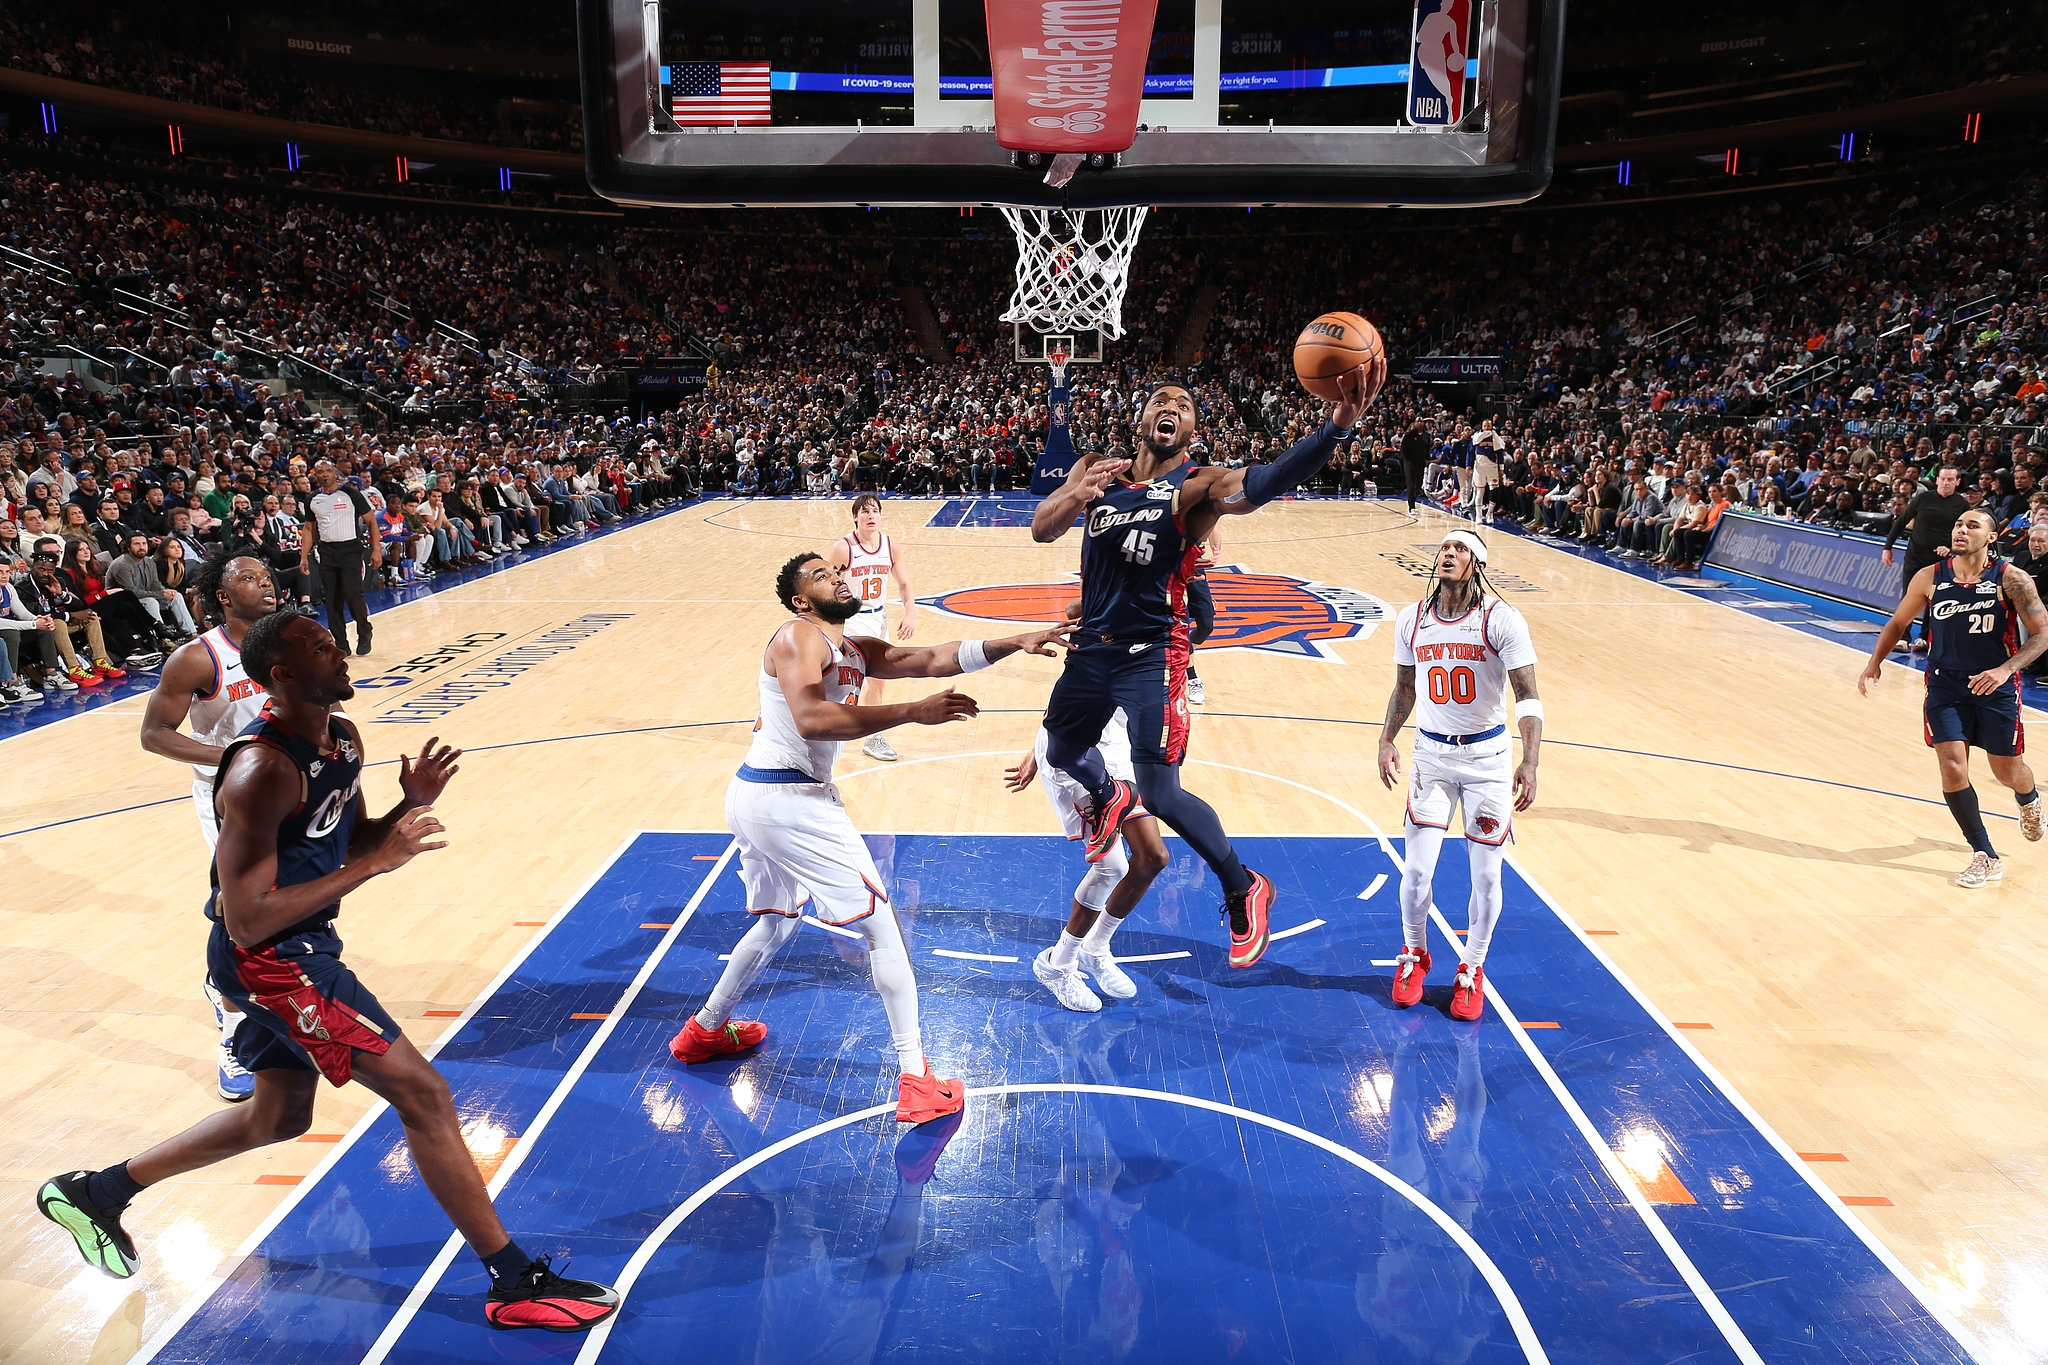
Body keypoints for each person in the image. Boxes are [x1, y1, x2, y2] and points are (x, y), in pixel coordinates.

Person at [37, 611, 620, 1332]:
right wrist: (379, 863)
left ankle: (97, 1192)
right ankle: (511, 1279)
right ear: (280, 675)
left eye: (331, 639)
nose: (336, 649)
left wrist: (410, 806)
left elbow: (346, 841)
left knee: (280, 1115)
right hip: (273, 960)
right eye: (316, 646)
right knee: (426, 1094)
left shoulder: (342, 739)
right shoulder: (259, 769)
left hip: (299, 947)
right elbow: (249, 915)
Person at [670, 552, 1068, 1124]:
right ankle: (916, 1080)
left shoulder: (851, 647)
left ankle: (705, 1030)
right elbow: (812, 718)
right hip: (789, 801)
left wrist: (1014, 641)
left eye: (835, 572)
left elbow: (929, 657)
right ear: (802, 599)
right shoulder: (798, 635)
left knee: (777, 922)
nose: (836, 576)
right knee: (884, 933)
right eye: (820, 576)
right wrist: (912, 713)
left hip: (762, 796)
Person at [1031, 370, 1370, 970]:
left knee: (1160, 792)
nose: (1172, 409)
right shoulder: (1097, 469)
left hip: (1152, 653)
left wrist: (1332, 430)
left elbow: (1261, 483)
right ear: (1141, 418)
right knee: (1059, 752)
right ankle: (1113, 796)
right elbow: (1042, 528)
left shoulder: (1197, 486)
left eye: (1185, 406)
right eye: (1161, 401)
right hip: (1092, 648)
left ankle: (1243, 886)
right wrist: (1076, 494)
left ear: (1192, 428)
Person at [1375, 528, 1543, 1021]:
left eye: (1460, 550)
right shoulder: (1412, 619)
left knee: (1486, 876)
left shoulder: (1502, 620)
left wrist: (1530, 760)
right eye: (1444, 549)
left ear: (1477, 564)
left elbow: (1528, 696)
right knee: (1416, 871)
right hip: (1431, 755)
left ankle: (1472, 968)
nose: (1448, 555)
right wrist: (1386, 738)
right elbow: (1404, 687)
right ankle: (1414, 954)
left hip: (1488, 761)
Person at [139, 551, 280, 1101]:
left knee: (284, 901)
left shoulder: (288, 638)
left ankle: (258, 988)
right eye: (249, 577)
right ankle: (233, 1025)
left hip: (288, 787)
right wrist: (226, 758)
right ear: (223, 595)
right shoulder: (198, 659)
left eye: (267, 575)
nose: (265, 583)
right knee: (239, 908)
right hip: (228, 797)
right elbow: (154, 732)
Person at [1859, 507, 2048, 887]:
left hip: (1994, 686)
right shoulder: (1930, 576)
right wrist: (1874, 662)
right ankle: (1984, 854)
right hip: (1945, 684)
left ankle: (2028, 800)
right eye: (1959, 524)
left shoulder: (2012, 579)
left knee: (2007, 771)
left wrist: (2005, 669)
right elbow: (1899, 622)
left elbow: (2043, 634)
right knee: (1951, 766)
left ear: (1991, 538)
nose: (1961, 530)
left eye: (1972, 526)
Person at [1005, 706, 1169, 1012]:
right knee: (1112, 866)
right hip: (1076, 758)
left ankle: (1095, 947)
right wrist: (1044, 747)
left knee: (1152, 858)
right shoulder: (1098, 658)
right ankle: (1058, 963)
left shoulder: (1161, 661)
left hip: (1117, 747)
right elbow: (1073, 693)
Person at [826, 494, 917, 762]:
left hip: (880, 618)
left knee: (879, 679)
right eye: (864, 512)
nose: (870, 516)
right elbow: (824, 585)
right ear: (855, 516)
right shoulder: (843, 548)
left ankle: (871, 737)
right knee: (849, 679)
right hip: (854, 619)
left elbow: (904, 584)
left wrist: (910, 612)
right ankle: (829, 727)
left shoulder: (890, 546)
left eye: (874, 511)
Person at [1883, 466, 1968, 652]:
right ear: (1937, 479)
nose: (1946, 482)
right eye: (1943, 479)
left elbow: (1966, 532)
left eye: (1951, 479)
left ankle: (1925, 638)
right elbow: (1901, 521)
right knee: (1908, 596)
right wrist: (1887, 547)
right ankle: (1903, 639)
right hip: (1916, 556)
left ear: (1957, 482)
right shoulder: (1923, 498)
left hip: (1941, 560)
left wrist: (1952, 548)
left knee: (1936, 598)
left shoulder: (1961, 504)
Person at [299, 461, 380, 656]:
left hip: (350, 549)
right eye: (320, 471)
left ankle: (364, 631)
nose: (325, 474)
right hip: (326, 550)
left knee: (353, 594)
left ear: (335, 473)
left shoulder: (351, 494)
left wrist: (376, 549)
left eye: (328, 470)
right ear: (315, 475)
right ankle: (341, 642)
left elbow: (371, 521)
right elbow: (309, 529)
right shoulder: (312, 499)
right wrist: (303, 556)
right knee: (332, 598)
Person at [1182, 527, 1221, 705]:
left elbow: (1212, 524)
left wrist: (1216, 550)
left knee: (1206, 625)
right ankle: (1193, 679)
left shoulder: (1197, 505)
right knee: (1181, 627)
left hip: (1195, 566)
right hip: (1170, 565)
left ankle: (1182, 652)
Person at [1400, 419, 1432, 513]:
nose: (1420, 423)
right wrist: (1408, 460)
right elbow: (1403, 449)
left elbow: (1427, 449)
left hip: (1421, 462)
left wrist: (1427, 459)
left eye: (1421, 421)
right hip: (1410, 463)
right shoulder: (1409, 435)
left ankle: (1413, 499)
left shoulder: (1426, 435)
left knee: (1418, 485)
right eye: (1418, 421)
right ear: (1414, 423)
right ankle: (1411, 506)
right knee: (1411, 484)